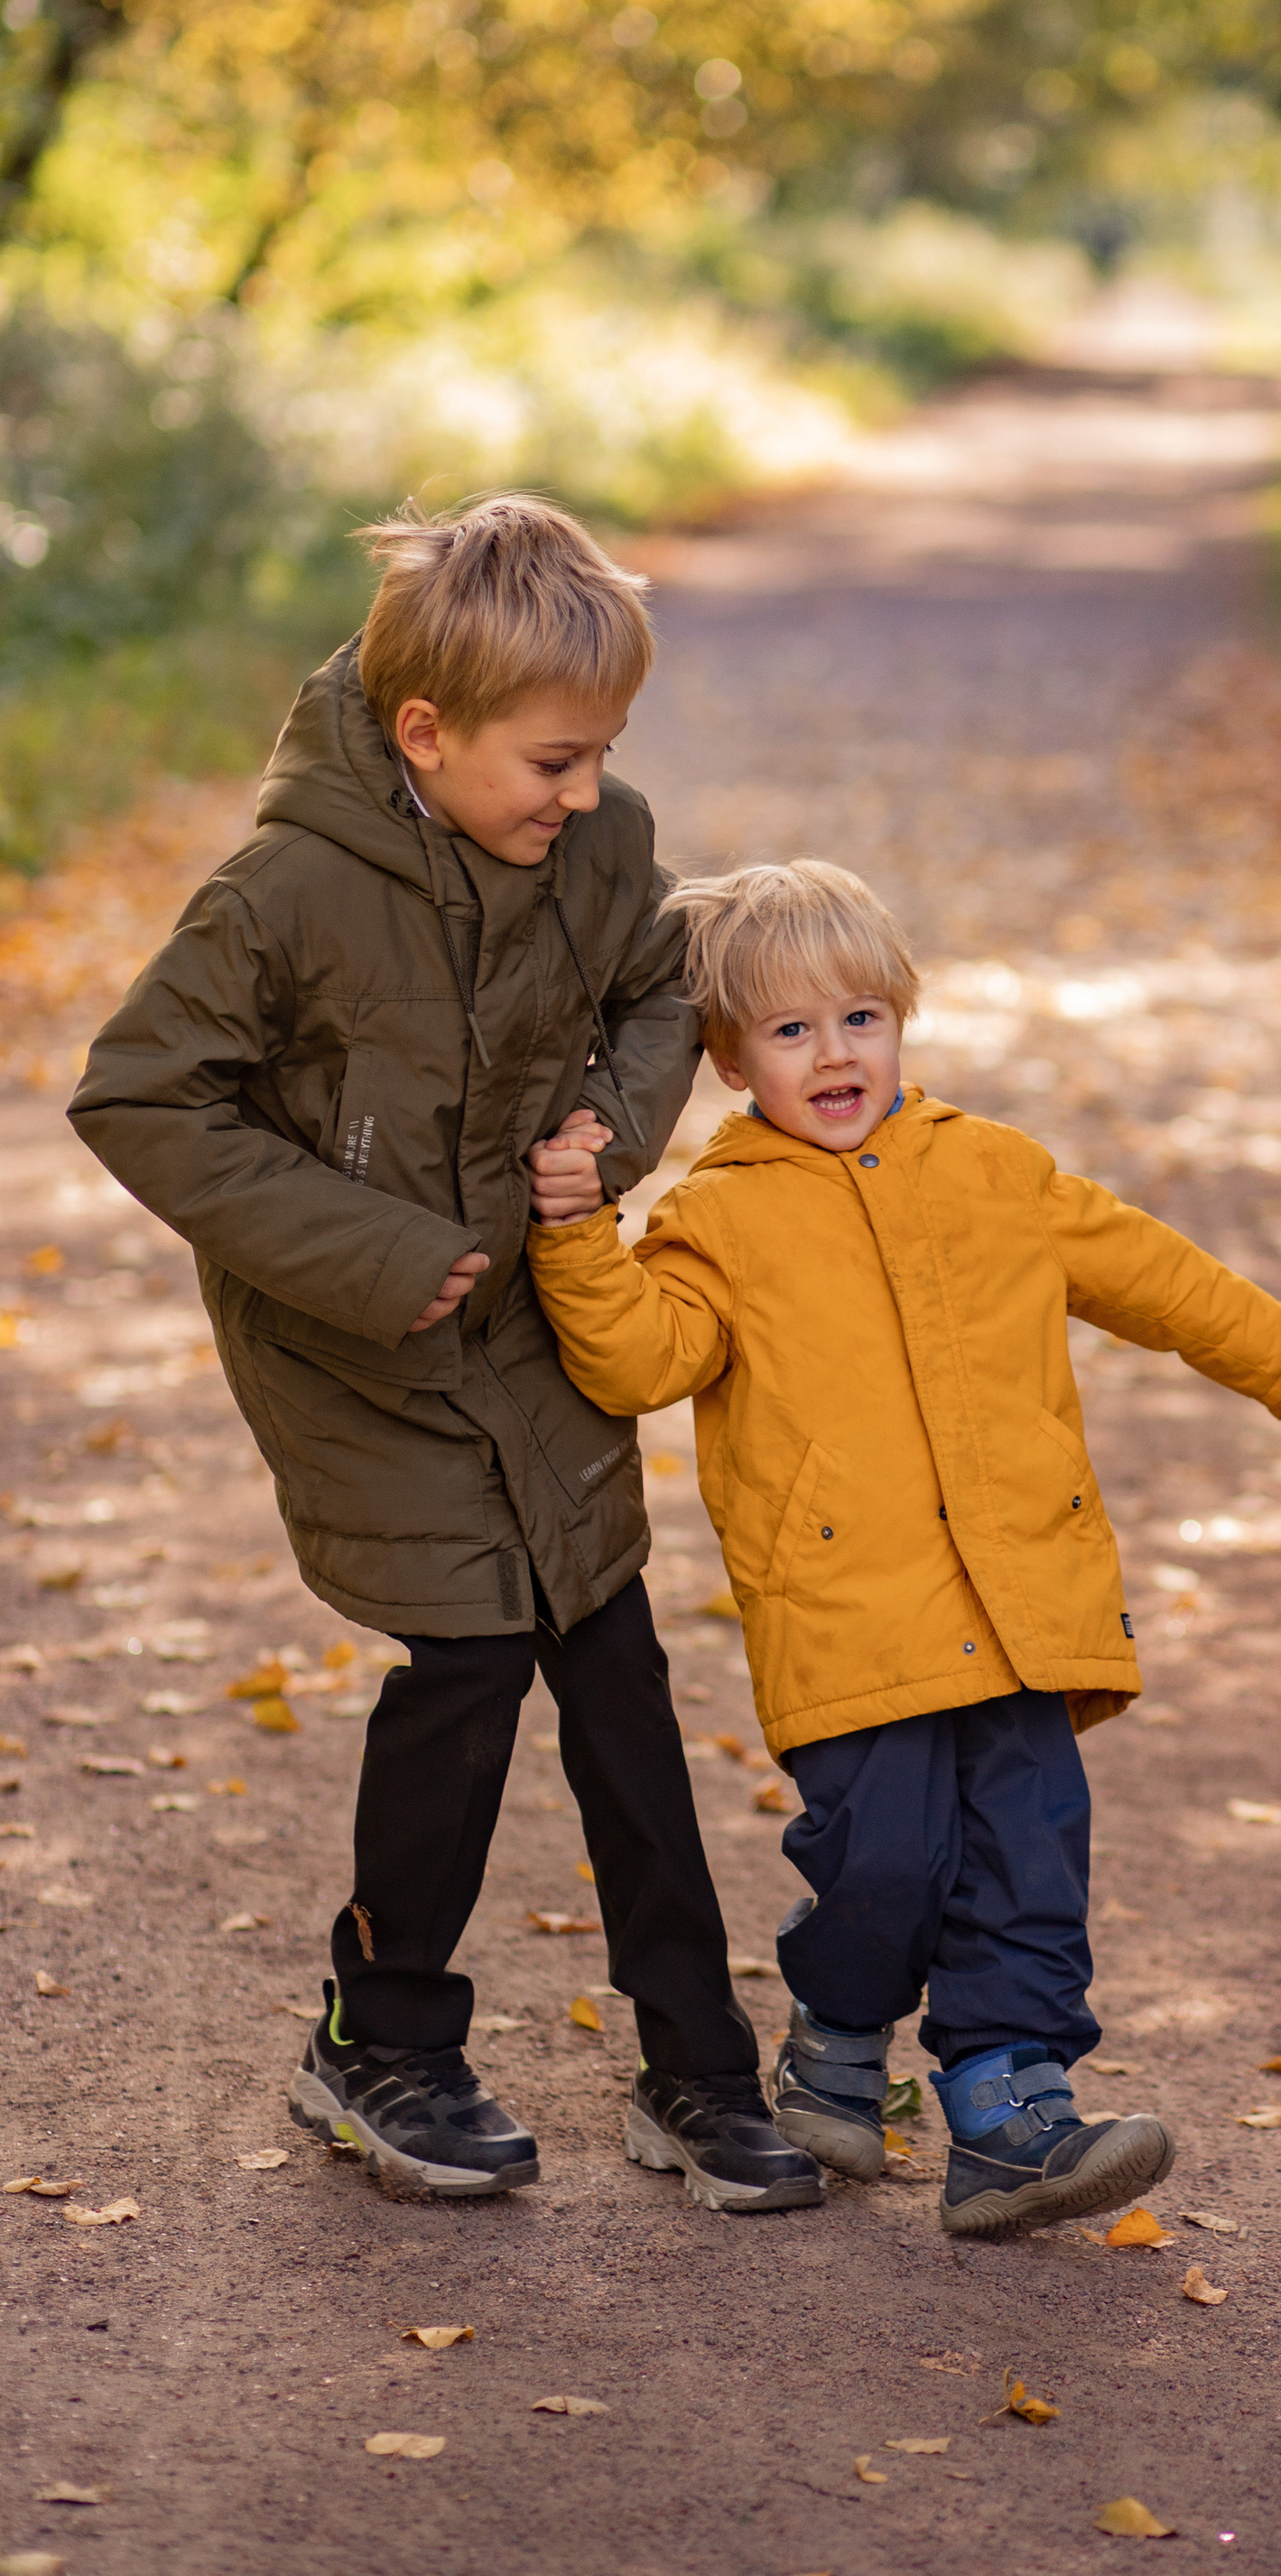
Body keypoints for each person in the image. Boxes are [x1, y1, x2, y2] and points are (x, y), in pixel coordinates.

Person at [68, 498, 820, 2213]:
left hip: (535, 1319)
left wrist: (607, 1131)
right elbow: (137, 1093)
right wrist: (379, 1251)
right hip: (359, 1343)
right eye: (552, 762)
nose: (584, 796)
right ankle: (382, 2036)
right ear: (426, 732)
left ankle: (695, 2068)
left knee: (617, 1669)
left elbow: (657, 989)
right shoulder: (287, 891)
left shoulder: (600, 845)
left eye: (602, 757)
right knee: (473, 1668)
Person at [523, 856, 1281, 2237]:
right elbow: (638, 1358)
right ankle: (839, 2039)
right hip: (853, 1621)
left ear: (902, 1021)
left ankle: (1006, 2108)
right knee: (883, 1868)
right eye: (791, 1031)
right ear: (731, 1063)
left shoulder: (991, 1168)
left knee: (1032, 1862)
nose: (835, 1052)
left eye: (861, 1017)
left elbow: (1148, 1271)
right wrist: (573, 1234)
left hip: (1024, 1599)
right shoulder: (720, 1218)